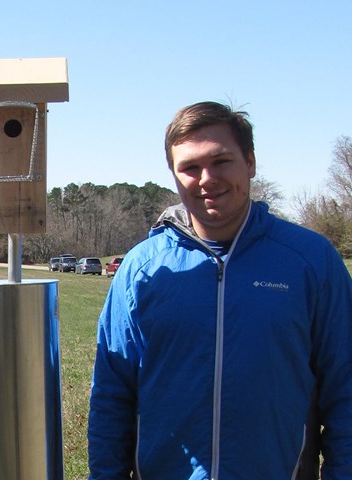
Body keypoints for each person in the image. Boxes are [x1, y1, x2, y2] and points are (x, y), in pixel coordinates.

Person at [88, 101, 352, 479]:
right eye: (190, 167)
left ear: (251, 162)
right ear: (174, 176)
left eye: (221, 161)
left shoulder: (311, 261)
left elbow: (345, 387)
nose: (206, 178)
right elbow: (111, 397)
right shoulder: (142, 269)